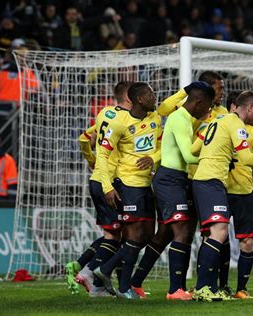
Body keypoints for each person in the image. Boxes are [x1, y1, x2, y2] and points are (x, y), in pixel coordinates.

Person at [190, 91, 253, 301]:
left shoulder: (218, 121)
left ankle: (209, 288)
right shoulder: (235, 124)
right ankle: (204, 287)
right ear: (249, 108)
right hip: (213, 182)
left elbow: (193, 149)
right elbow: (245, 156)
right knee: (217, 234)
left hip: (214, 182)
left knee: (220, 233)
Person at [94, 82, 162, 299]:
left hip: (145, 185)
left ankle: (106, 270)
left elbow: (161, 149)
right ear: (139, 99)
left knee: (147, 235)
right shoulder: (119, 123)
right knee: (133, 235)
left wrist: (153, 158)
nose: (154, 96)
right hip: (127, 183)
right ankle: (124, 288)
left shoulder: (155, 119)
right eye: (150, 94)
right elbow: (102, 155)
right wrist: (107, 187)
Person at [65, 81, 133, 296]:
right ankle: (87, 271)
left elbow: (83, 138)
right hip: (109, 181)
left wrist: (90, 159)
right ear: (130, 98)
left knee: (114, 233)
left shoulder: (105, 114)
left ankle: (93, 282)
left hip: (97, 178)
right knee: (117, 237)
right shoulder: (124, 120)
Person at [153, 82, 214, 300]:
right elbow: (188, 156)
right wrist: (215, 157)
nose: (208, 110)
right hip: (168, 179)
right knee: (179, 231)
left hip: (180, 180)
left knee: (185, 233)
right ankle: (173, 290)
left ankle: (177, 287)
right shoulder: (178, 119)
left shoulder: (188, 120)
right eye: (208, 106)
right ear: (198, 102)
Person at [222, 91, 253, 299]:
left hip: (244, 191)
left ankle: (241, 289)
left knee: (248, 241)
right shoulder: (222, 124)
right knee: (216, 239)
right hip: (220, 190)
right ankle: (219, 286)